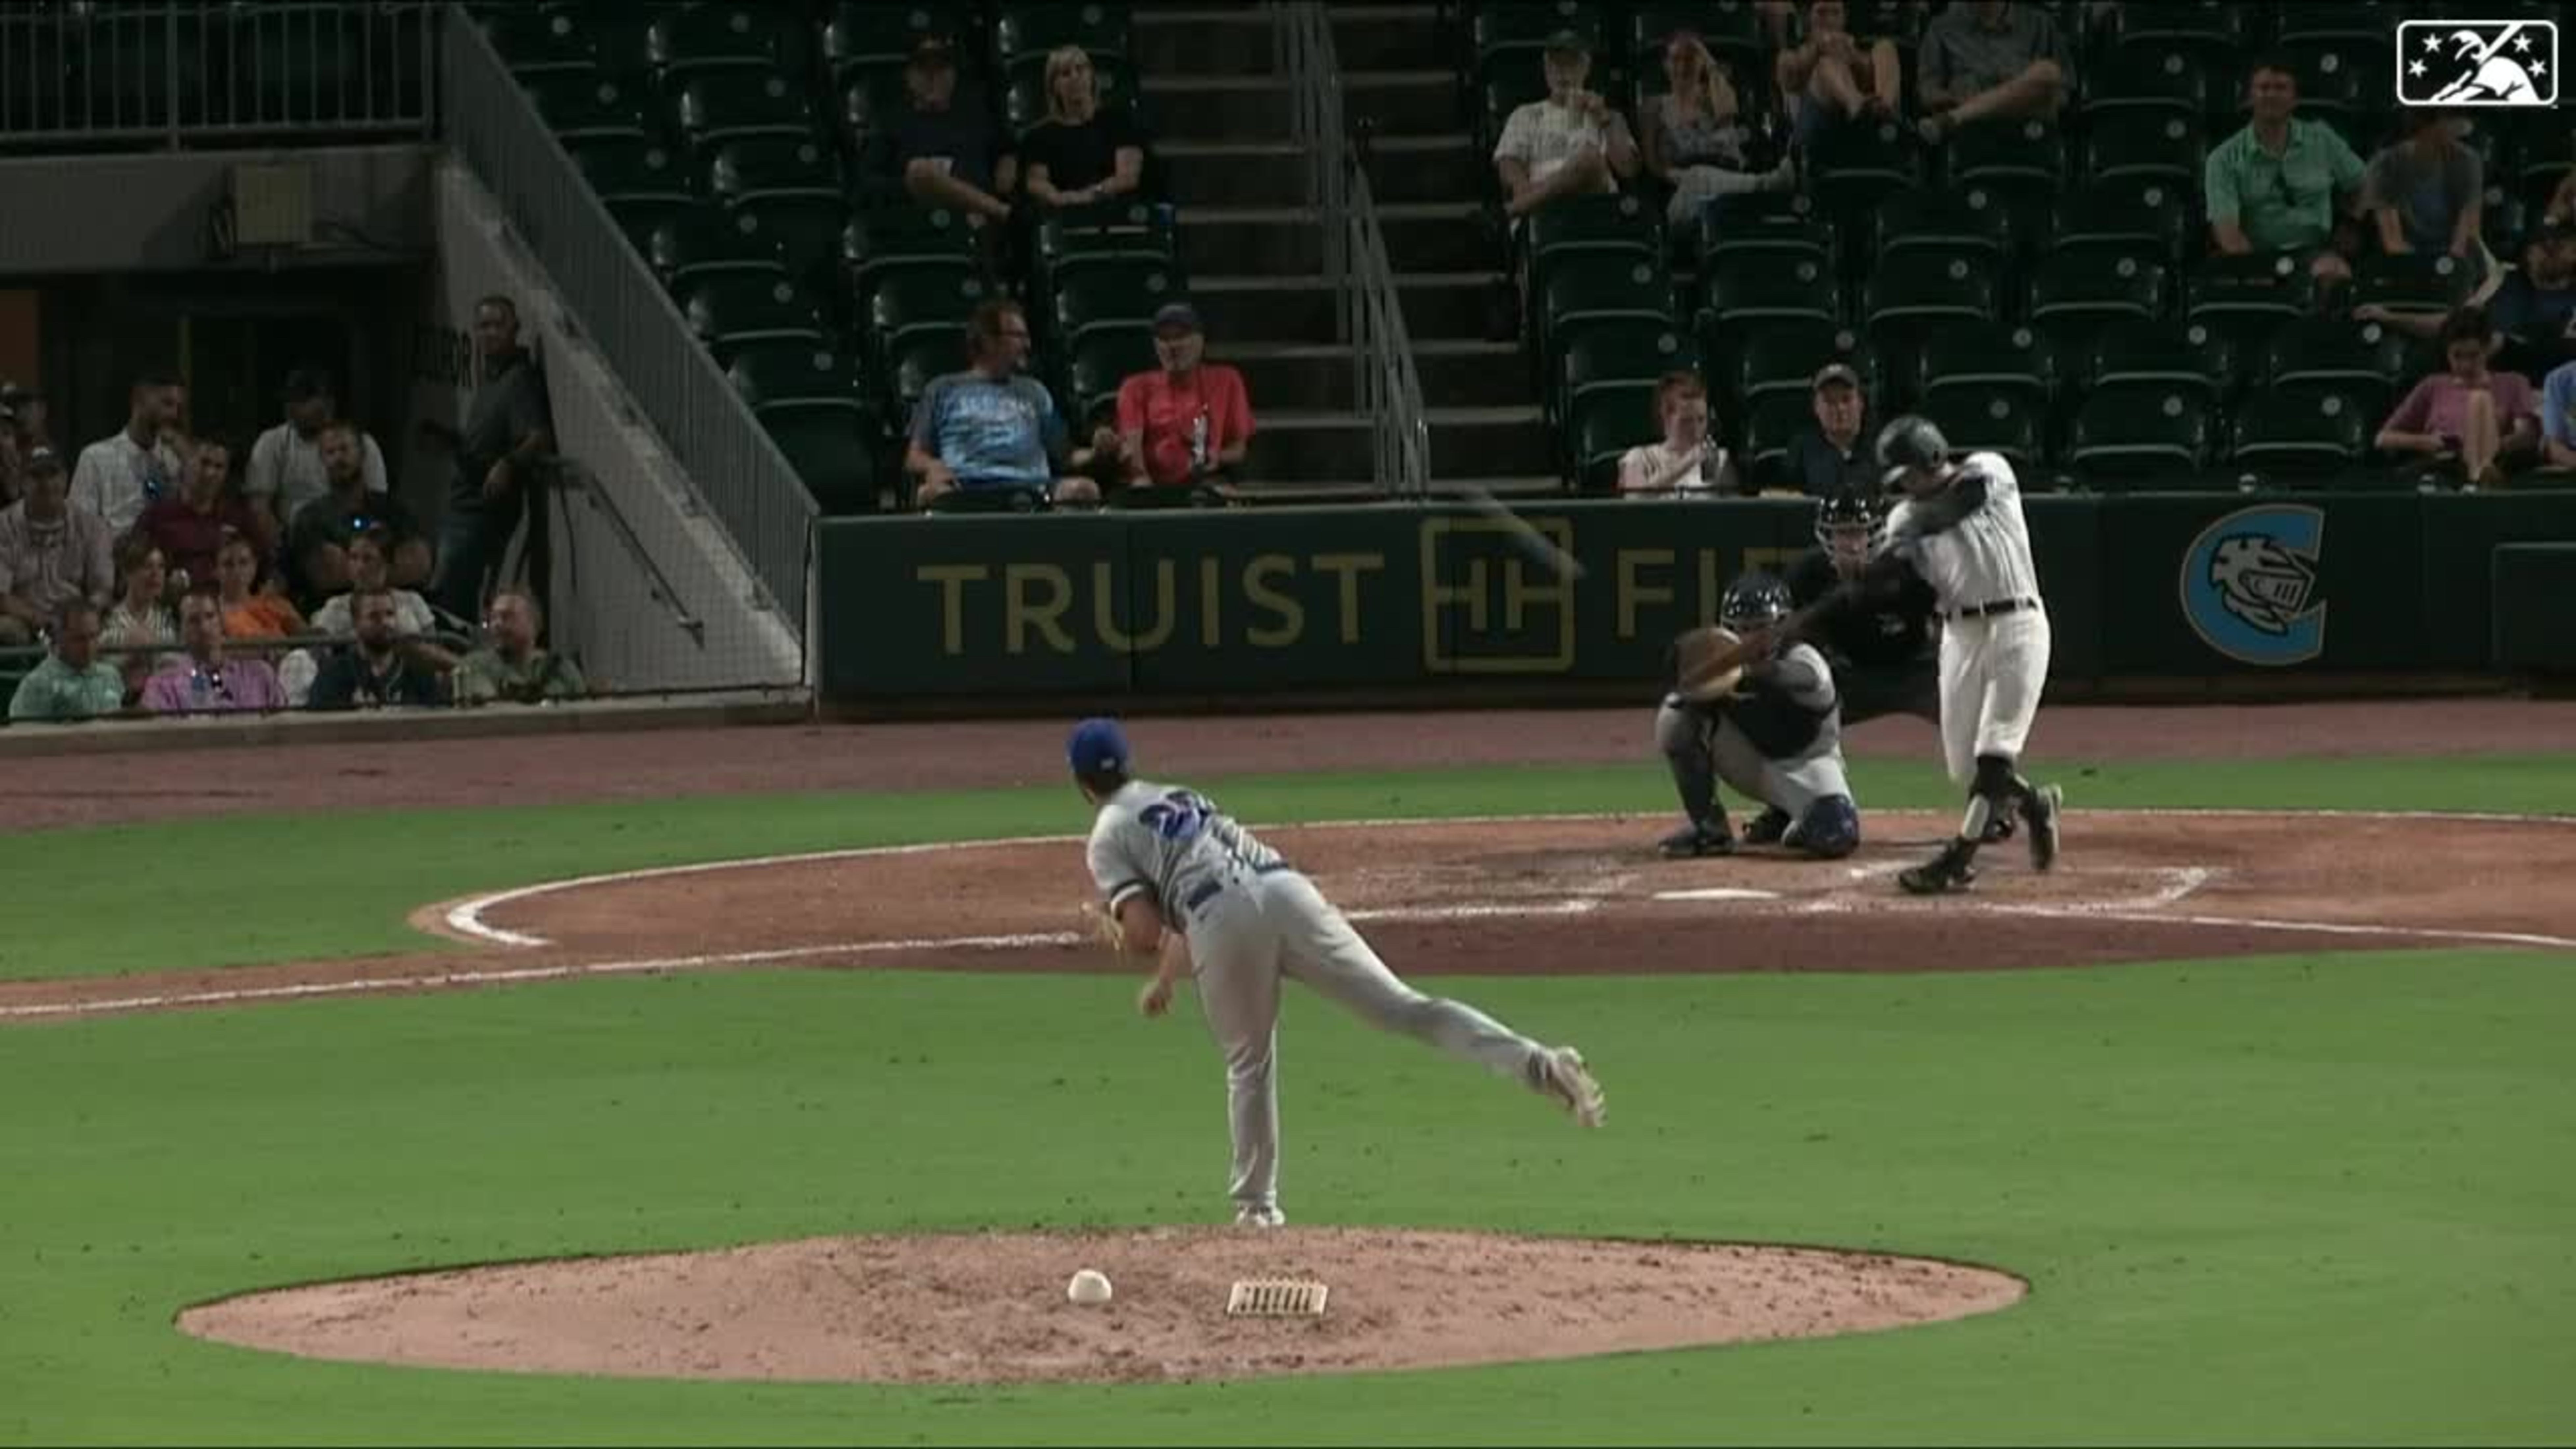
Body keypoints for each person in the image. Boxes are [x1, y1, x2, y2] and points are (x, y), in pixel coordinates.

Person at [1070, 716, 1605, 1227]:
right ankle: (1538, 1064)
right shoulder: (1175, 795)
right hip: (1285, 891)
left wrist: (1115, 927)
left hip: (1221, 920)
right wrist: (1167, 978)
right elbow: (1208, 880)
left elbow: (1148, 931)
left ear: (1082, 784)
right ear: (1127, 764)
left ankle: (1257, 1212)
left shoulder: (1106, 834)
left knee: (1248, 1065)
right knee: (1403, 1008)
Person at [1652, 573, 1864, 860]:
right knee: (1674, 718)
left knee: (1837, 834)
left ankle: (1791, 815)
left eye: (1761, 628)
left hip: (1808, 765)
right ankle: (1710, 829)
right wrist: (1685, 675)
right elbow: (1683, 693)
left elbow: (1803, 677)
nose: (1751, 638)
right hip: (1752, 761)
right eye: (1743, 629)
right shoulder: (1722, 665)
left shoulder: (1804, 657)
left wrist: (1748, 672)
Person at [907, 300, 1110, 506]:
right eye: (1019, 337)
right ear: (989, 341)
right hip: (966, 487)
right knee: (929, 494)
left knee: (1085, 490)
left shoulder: (1035, 392)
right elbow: (914, 457)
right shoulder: (943, 389)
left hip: (1033, 488)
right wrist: (933, 467)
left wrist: (1096, 452)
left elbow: (1067, 456)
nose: (1028, 345)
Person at [428, 294, 550, 624]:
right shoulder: (491, 378)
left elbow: (537, 436)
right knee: (449, 595)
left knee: (454, 599)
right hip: (462, 504)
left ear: (515, 329)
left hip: (482, 512)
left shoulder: (519, 379)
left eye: (498, 325)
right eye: (483, 326)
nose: (490, 333)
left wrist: (508, 463)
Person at [2203, 58, 2367, 287]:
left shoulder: (2323, 139)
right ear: (2250, 97)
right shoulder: (2222, 159)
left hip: (2315, 252)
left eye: (2281, 88)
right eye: (2264, 88)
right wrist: (2259, 273)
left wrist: (2351, 222)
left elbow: (2365, 184)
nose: (2271, 95)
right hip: (2254, 255)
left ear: (2295, 99)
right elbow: (2228, 233)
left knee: (2334, 275)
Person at [1640, 30, 1793, 230]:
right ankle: (1765, 185)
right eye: (1675, 59)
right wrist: (1675, 176)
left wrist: (1709, 60)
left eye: (1690, 59)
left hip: (1729, 185)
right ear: (1665, 65)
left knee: (1706, 189)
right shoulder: (1653, 106)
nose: (1683, 67)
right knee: (1698, 177)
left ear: (1701, 63)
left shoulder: (1714, 97)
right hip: (1681, 194)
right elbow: (1652, 162)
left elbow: (1728, 112)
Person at [859, 36, 1016, 228]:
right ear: (909, 77)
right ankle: (999, 211)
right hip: (918, 222)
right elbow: (867, 184)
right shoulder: (891, 123)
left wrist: (1008, 161)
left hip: (978, 227)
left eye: (941, 69)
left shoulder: (977, 117)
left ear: (954, 76)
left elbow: (1007, 151)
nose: (933, 77)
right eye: (924, 70)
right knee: (920, 170)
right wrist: (913, 187)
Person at [2375, 306, 2538, 489]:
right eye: (2457, 356)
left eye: (2473, 356)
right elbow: (2383, 438)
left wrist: (2489, 446)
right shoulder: (2432, 386)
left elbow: (2527, 435)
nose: (2466, 365)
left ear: (2487, 349)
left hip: (2496, 464)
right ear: (2447, 353)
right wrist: (2426, 442)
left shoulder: (2514, 383)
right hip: (2442, 468)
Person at [1491, 32, 1640, 224]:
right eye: (1556, 64)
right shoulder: (1525, 114)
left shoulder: (1611, 117)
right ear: (1546, 69)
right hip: (1543, 212)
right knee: (1588, 157)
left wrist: (1604, 119)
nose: (1563, 72)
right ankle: (1525, 204)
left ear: (1587, 68)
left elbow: (1628, 169)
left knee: (1591, 158)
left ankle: (1513, 209)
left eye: (1571, 64)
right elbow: (1508, 163)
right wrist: (1521, 186)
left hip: (1596, 206)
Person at [1114, 303, 1253, 492]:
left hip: (1205, 480)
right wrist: (1143, 479)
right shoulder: (1135, 387)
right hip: (1153, 483)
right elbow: (1133, 452)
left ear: (1200, 341)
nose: (1173, 346)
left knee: (1228, 497)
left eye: (1181, 337)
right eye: (1164, 339)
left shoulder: (1227, 379)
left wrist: (1216, 457)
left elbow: (1239, 450)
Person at [292, 420, 425, 612]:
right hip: (334, 618)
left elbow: (420, 563)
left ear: (362, 453)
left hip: (397, 613)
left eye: (345, 449)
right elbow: (326, 575)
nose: (339, 458)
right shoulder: (310, 517)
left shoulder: (393, 509)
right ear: (322, 460)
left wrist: (349, 566)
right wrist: (387, 562)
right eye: (331, 452)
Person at [246, 367, 388, 537]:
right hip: (294, 540)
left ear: (328, 404)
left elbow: (379, 503)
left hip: (353, 539)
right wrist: (279, 547)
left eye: (302, 400)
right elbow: (259, 507)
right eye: (289, 400)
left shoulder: (363, 444)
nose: (291, 408)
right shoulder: (272, 442)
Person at [0, 447, 114, 649]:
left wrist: (79, 619)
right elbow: (2, 597)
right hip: (25, 620)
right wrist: (39, 619)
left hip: (80, 619)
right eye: (36, 476)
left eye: (53, 475)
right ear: (23, 482)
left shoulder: (92, 527)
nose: (46, 484)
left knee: (115, 629)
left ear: (65, 479)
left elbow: (102, 590)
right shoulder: (5, 526)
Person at [1915, 1, 2070, 146]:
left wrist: (2015, 90)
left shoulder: (2040, 24)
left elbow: (2064, 94)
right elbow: (1927, 93)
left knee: (2048, 70)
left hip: (2027, 124)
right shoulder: (1941, 27)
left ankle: (1957, 116)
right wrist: (1957, 98)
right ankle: (1967, 112)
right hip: (1970, 131)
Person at [1018, 46, 1148, 212]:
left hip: (1114, 214)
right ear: (1054, 87)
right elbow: (1037, 182)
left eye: (1080, 70)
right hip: (1063, 218)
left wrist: (1091, 195)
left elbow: (1128, 177)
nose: (1075, 78)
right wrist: (1057, 197)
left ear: (1092, 77)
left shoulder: (1119, 123)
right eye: (1065, 74)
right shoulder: (1038, 137)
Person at [2364, 110, 2486, 278]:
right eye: (2448, 124)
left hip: (2451, 254)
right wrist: (2419, 272)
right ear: (2428, 128)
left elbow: (2468, 230)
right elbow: (2392, 240)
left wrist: (2448, 266)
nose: (2455, 136)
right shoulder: (2385, 164)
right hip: (2406, 253)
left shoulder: (2468, 160)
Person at [1776, 0, 1904, 153]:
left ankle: (1885, 113)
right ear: (1808, 17)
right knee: (1827, 62)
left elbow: (1868, 72)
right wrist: (1818, 50)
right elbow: (1791, 82)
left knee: (1886, 48)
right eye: (1822, 13)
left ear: (1845, 18)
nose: (1829, 21)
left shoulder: (1857, 50)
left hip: (1870, 127)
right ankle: (1858, 106)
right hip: (1815, 135)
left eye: (1836, 13)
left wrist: (1854, 58)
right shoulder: (1792, 54)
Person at [135, 438, 265, 586]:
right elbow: (134, 567)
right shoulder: (156, 516)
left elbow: (263, 566)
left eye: (219, 467)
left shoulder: (239, 517)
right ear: (185, 464)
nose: (210, 473)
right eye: (204, 463)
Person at [69, 367, 186, 533]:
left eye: (178, 407)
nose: (174, 414)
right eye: (167, 403)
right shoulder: (96, 457)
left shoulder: (174, 462)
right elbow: (79, 529)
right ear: (139, 398)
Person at [140, 588, 286, 714]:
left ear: (221, 624)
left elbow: (286, 725)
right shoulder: (164, 684)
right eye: (194, 620)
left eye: (210, 617)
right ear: (181, 632)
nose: (204, 627)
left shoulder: (260, 674)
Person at [306, 586, 448, 709]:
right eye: (374, 616)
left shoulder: (419, 673)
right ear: (356, 624)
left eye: (390, 614)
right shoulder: (333, 674)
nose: (385, 622)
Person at [453, 588, 586, 705]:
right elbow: (491, 710)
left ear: (533, 623)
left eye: (507, 616)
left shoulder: (563, 670)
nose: (497, 624)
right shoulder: (475, 666)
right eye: (493, 618)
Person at [1616, 371, 1738, 495]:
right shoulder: (1639, 458)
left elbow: (1735, 508)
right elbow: (1635, 500)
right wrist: (1686, 463)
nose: (1696, 429)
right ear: (1666, 415)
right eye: (1687, 421)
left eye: (1701, 420)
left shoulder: (1720, 460)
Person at [6, 598, 124, 722]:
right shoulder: (38, 684)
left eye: (94, 637)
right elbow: (22, 735)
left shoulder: (111, 675)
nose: (89, 647)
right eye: (79, 639)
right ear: (59, 637)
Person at [1784, 364, 1878, 496]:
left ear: (1861, 403)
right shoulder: (1802, 448)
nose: (1839, 408)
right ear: (1816, 408)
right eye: (1829, 401)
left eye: (1846, 399)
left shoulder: (1880, 445)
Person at [212, 529, 305, 642]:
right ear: (215, 571)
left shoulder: (274, 604)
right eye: (228, 564)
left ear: (254, 566)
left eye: (244, 563)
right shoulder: (210, 614)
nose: (237, 571)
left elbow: (312, 640)